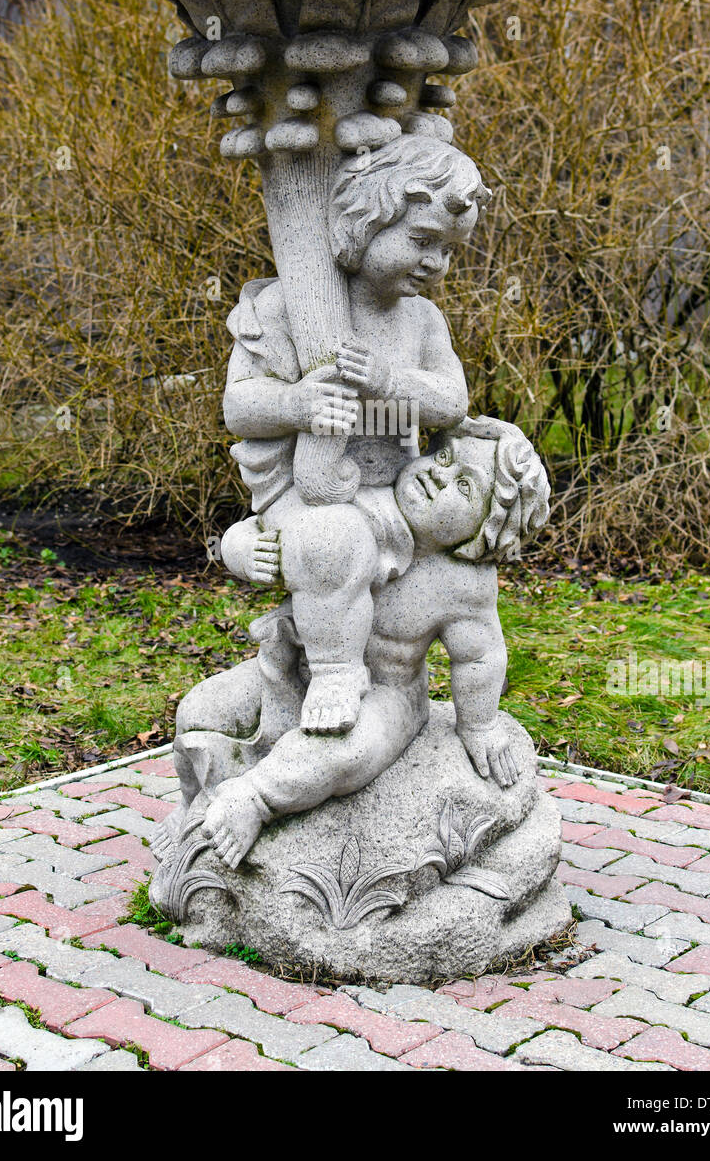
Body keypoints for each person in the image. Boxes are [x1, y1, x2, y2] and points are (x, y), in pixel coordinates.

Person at [221, 135, 491, 737]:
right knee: (332, 540)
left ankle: (446, 704)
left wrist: (390, 380)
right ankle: (336, 670)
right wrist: (296, 403)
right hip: (305, 493)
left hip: (397, 493)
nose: (435, 263)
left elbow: (451, 401)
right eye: (421, 240)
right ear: (365, 218)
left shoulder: (421, 320)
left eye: (449, 251)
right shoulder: (286, 308)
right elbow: (239, 407)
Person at [193, 416, 550, 869]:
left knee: (349, 749)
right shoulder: (358, 504)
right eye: (443, 456)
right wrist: (243, 552)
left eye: (464, 487)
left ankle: (256, 798)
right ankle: (192, 817)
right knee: (200, 711)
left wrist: (479, 726)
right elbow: (257, 527)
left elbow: (477, 656)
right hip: (294, 667)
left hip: (389, 692)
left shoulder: (463, 583)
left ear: (484, 532)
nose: (439, 474)